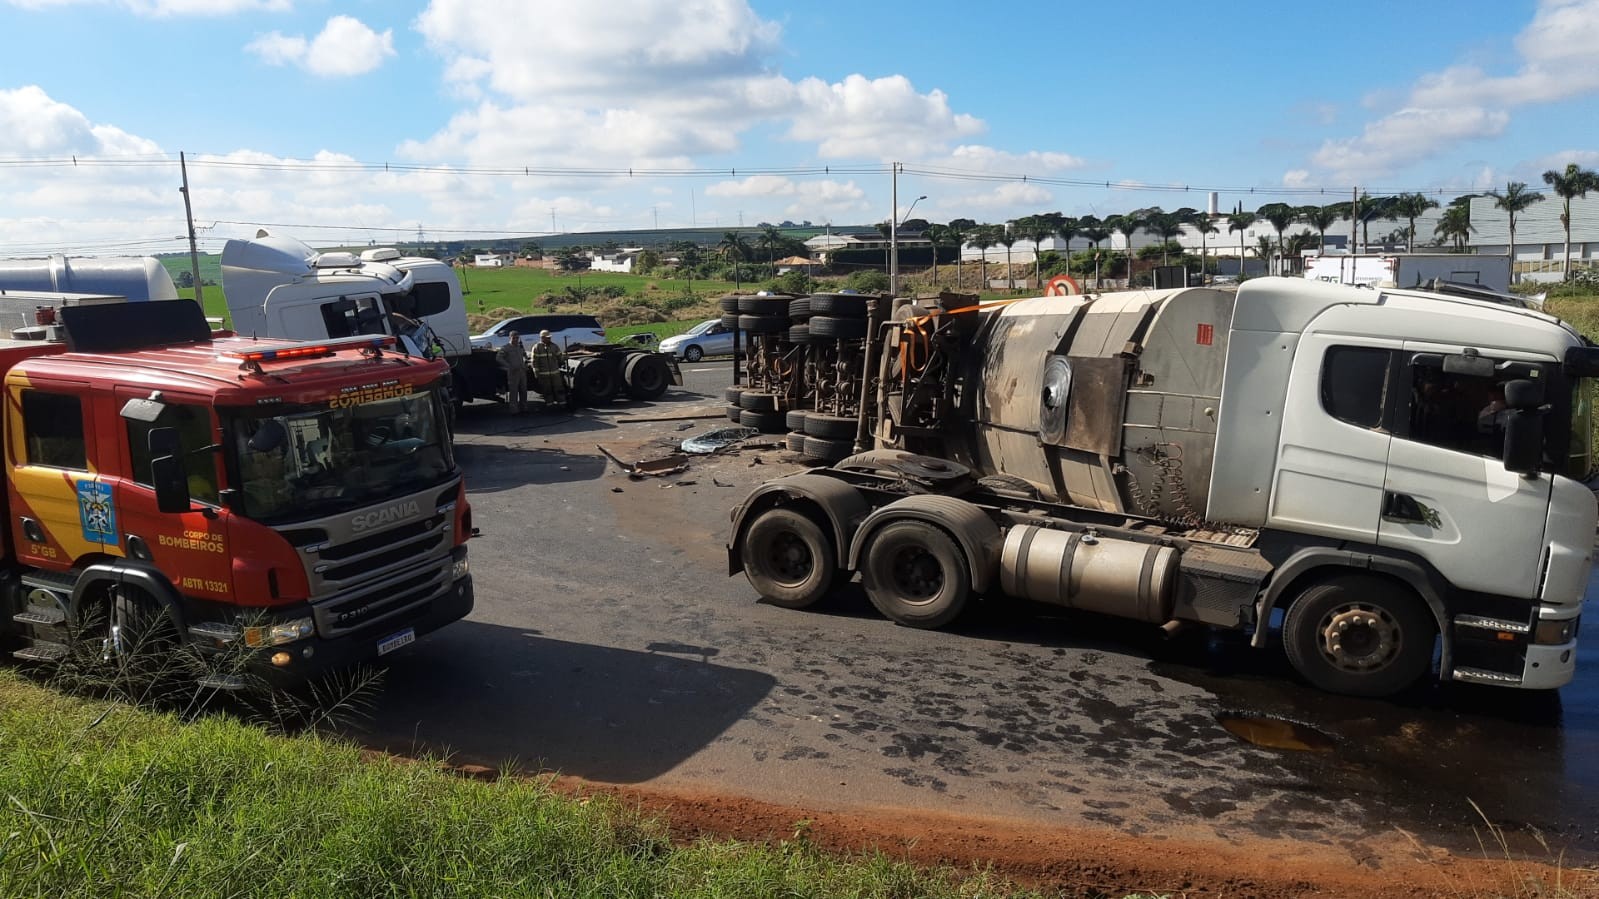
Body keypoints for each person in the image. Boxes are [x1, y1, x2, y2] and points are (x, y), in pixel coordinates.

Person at [530, 329, 568, 409]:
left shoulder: (554, 346)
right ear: (542, 338)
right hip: (544, 374)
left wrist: (564, 357)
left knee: (559, 389)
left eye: (549, 337)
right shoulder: (537, 347)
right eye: (547, 338)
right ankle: (550, 405)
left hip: (555, 373)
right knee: (547, 391)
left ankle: (562, 404)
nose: (549, 339)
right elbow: (534, 362)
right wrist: (536, 374)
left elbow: (559, 357)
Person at [497, 330, 530, 413]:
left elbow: (525, 356)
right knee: (514, 392)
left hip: (522, 371)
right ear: (510, 337)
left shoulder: (520, 347)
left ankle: (524, 408)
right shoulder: (506, 347)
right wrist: (508, 366)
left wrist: (526, 364)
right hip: (513, 373)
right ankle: (514, 410)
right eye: (514, 338)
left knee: (523, 390)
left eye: (517, 338)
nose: (515, 339)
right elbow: (499, 358)